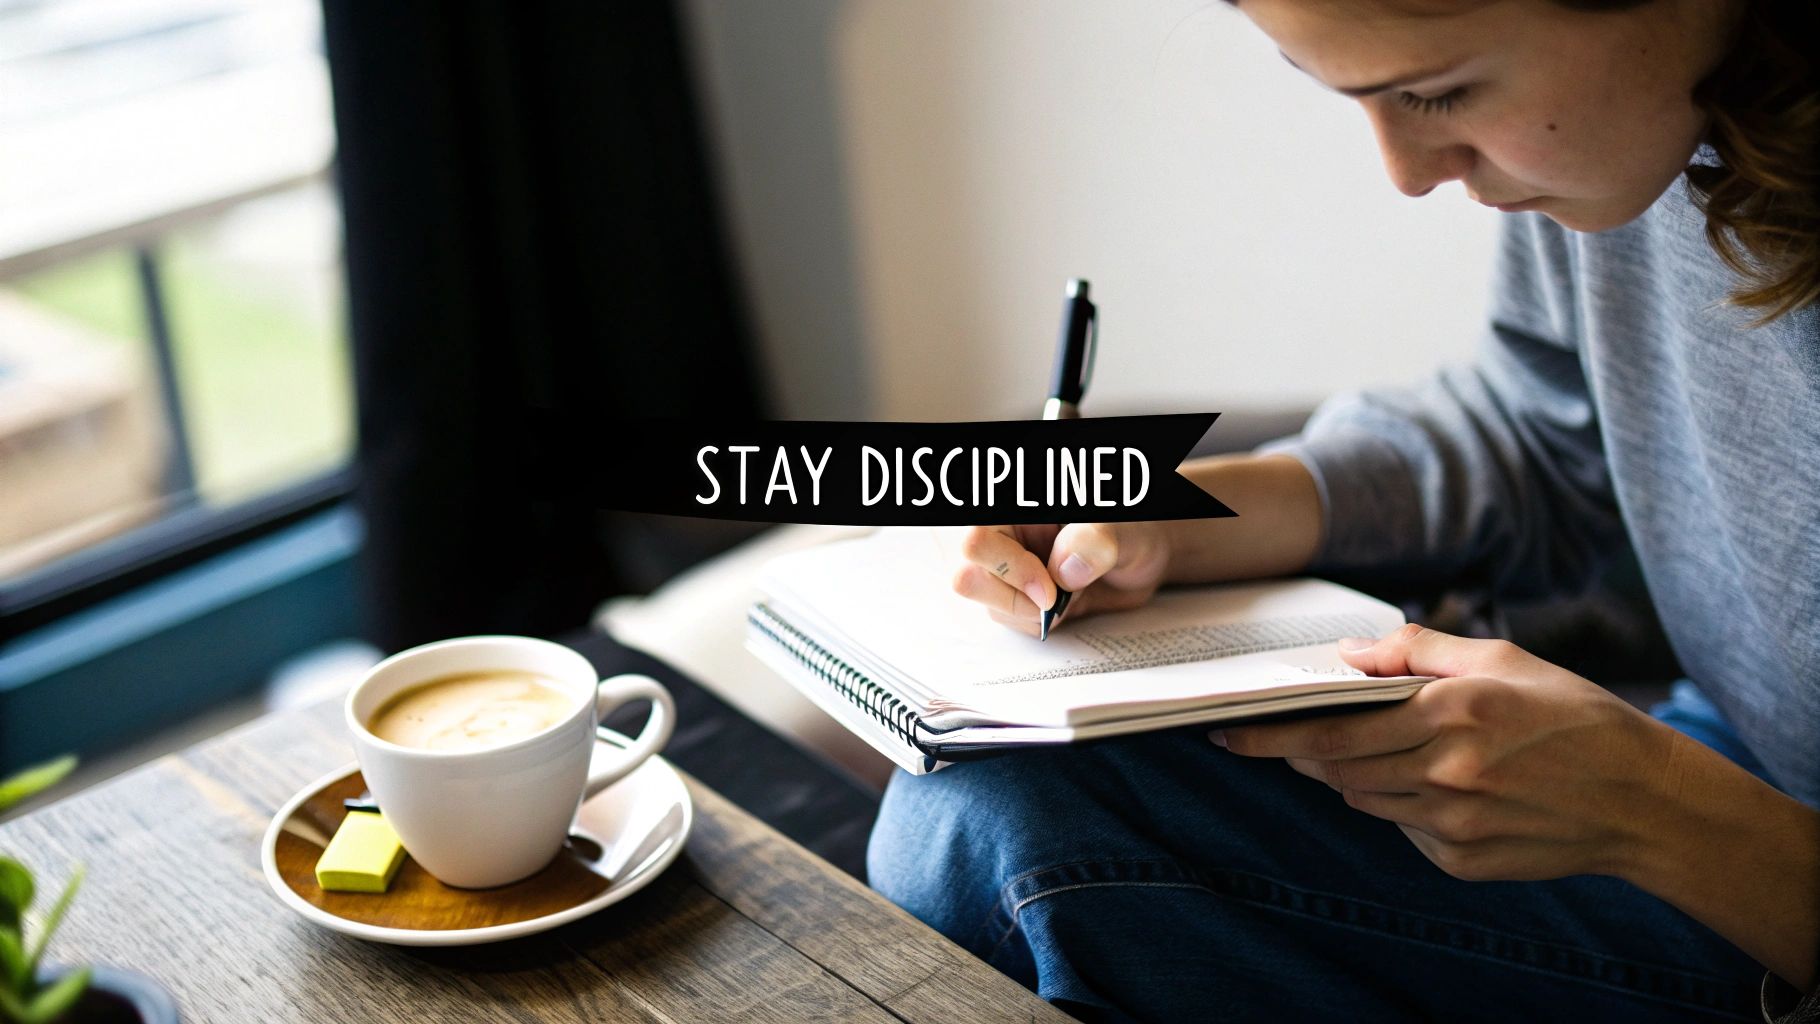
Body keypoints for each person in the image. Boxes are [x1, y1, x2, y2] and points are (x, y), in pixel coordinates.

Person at [866, 1, 1819, 1021]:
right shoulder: (1634, 144)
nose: (1406, 174)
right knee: (983, 799)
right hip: (1723, 749)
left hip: (1756, 865)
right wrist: (1191, 512)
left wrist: (1654, 808)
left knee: (1009, 841)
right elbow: (1541, 429)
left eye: (1438, 92)